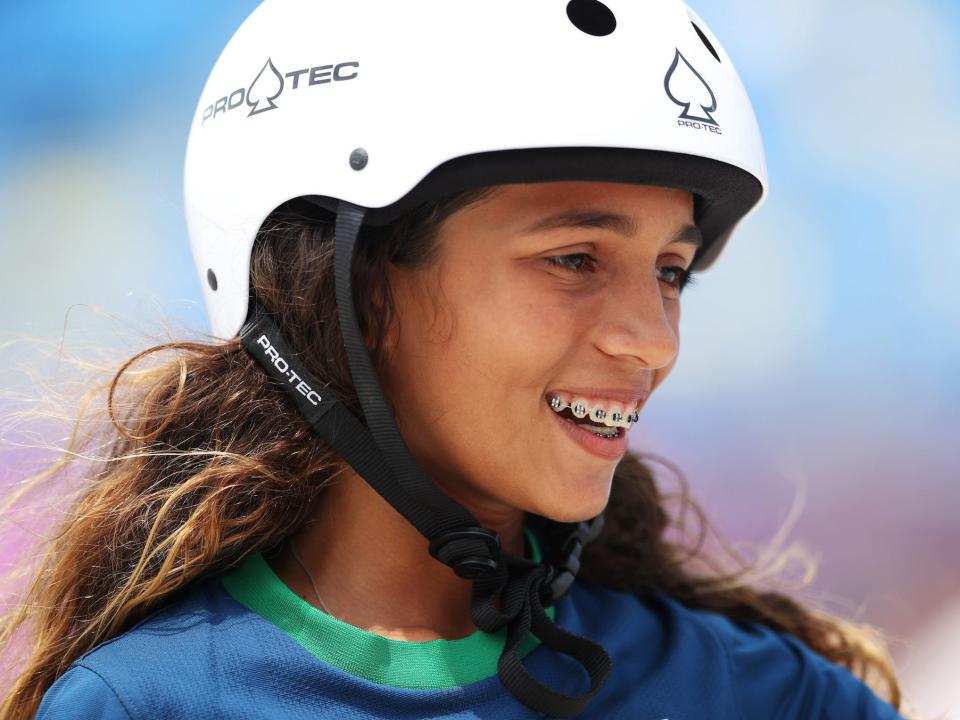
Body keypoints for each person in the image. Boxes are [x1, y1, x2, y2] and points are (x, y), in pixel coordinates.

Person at [0, 1, 912, 718]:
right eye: (574, 259)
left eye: (670, 271)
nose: (653, 340)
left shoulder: (761, 696)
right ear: (352, 290)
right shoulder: (148, 707)